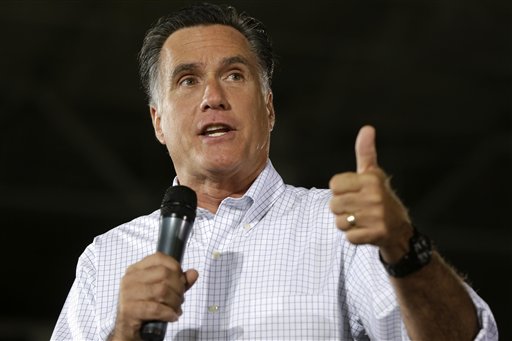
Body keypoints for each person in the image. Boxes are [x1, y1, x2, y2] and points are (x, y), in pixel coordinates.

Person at [51, 3, 498, 340]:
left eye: (234, 75)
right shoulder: (104, 258)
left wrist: (404, 245)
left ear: (268, 108)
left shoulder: (342, 227)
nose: (212, 96)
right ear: (158, 122)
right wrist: (123, 332)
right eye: (187, 80)